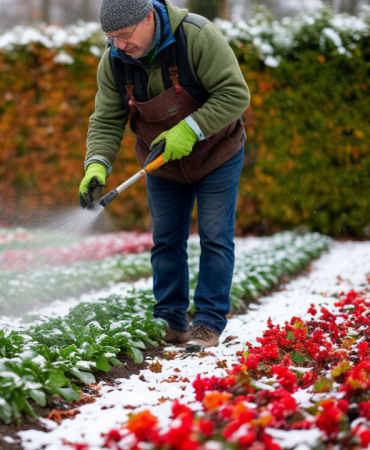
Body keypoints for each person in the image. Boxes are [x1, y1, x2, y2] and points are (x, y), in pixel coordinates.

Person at [78, 0, 249, 352]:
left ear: (148, 18)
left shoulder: (197, 37)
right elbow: (108, 118)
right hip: (162, 162)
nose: (119, 45)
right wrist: (96, 163)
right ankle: (170, 318)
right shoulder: (114, 60)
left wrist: (190, 129)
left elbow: (235, 94)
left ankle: (208, 323)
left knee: (215, 237)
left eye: (124, 36)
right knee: (166, 240)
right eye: (111, 38)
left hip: (217, 152)